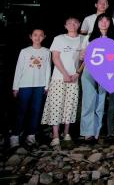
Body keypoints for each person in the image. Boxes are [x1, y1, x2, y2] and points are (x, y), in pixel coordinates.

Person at [41, 17, 83, 146]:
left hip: (74, 78)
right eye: (69, 23)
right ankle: (55, 135)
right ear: (65, 26)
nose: (72, 25)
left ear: (79, 24)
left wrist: (77, 73)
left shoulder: (83, 39)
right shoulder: (59, 38)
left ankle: (66, 133)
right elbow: (55, 57)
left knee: (70, 105)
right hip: (59, 77)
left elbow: (85, 59)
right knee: (56, 104)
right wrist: (65, 74)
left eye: (75, 22)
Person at [10, 28, 51, 148]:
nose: (38, 37)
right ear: (31, 36)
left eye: (40, 35)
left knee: (36, 110)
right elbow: (19, 69)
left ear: (44, 37)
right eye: (35, 35)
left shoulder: (46, 51)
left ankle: (31, 135)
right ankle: (15, 136)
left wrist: (47, 85)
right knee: (21, 110)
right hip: (24, 85)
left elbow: (48, 69)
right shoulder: (25, 51)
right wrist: (15, 87)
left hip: (39, 85)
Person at [78, 14, 113, 142]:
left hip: (105, 72)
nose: (104, 23)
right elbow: (82, 56)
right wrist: (81, 56)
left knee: (101, 101)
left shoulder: (113, 39)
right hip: (89, 71)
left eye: (106, 20)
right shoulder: (89, 38)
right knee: (88, 101)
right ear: (97, 23)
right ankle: (87, 132)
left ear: (110, 23)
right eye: (101, 20)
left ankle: (96, 132)